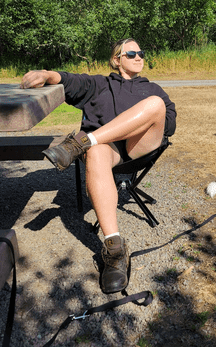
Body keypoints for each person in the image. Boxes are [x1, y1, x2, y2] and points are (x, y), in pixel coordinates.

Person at [20, 38, 176, 294]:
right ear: (117, 60)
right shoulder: (98, 84)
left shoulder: (154, 90)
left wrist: (137, 122)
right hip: (106, 152)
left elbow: (169, 124)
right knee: (96, 153)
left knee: (155, 106)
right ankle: (114, 249)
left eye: (141, 53)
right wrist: (46, 74)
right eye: (132, 53)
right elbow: (70, 81)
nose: (139, 57)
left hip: (139, 148)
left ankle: (80, 143)